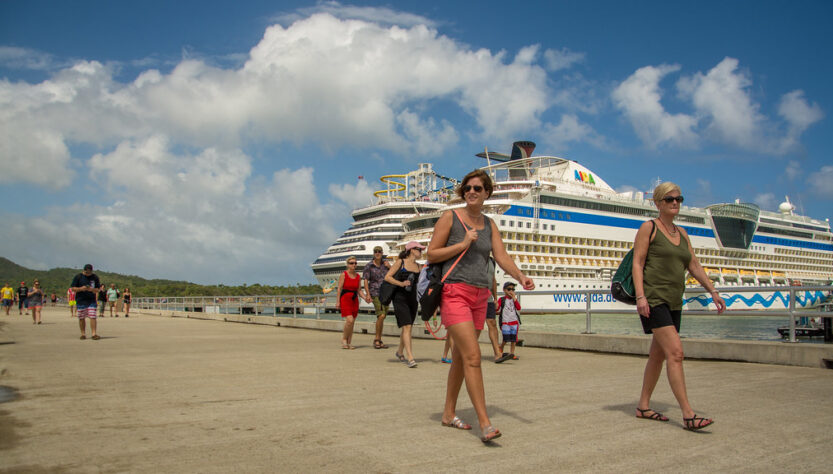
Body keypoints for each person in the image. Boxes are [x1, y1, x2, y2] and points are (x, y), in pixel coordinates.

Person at [427, 169, 534, 443]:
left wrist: (520, 276)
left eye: (477, 188)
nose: (471, 192)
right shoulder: (450, 217)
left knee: (462, 357)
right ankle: (485, 423)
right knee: (473, 357)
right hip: (455, 293)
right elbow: (432, 254)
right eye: (467, 188)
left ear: (487, 192)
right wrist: (463, 243)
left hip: (479, 296)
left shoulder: (489, 224)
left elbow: (501, 256)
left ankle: (448, 413)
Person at [632, 182, 726, 431]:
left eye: (679, 199)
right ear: (658, 203)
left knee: (658, 355)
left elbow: (693, 265)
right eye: (669, 199)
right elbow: (637, 263)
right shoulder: (649, 228)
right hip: (655, 299)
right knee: (676, 353)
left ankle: (643, 406)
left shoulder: (682, 233)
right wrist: (641, 297)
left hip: (675, 301)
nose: (675, 203)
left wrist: (713, 291)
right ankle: (688, 414)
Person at [385, 241, 424, 368]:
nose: (421, 252)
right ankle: (410, 357)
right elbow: (388, 277)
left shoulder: (419, 266)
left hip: (413, 299)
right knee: (406, 326)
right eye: (419, 249)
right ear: (412, 250)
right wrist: (401, 284)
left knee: (408, 327)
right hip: (400, 298)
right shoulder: (400, 262)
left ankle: (399, 352)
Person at [362, 246, 391, 349]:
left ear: (382, 253)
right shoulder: (369, 266)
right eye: (375, 252)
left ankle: (379, 339)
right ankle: (377, 339)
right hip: (375, 292)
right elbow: (366, 280)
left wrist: (390, 266)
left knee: (382, 316)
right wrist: (368, 294)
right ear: (373, 253)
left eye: (379, 251)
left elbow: (394, 274)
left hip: (386, 293)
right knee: (381, 315)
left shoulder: (385, 264)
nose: (377, 253)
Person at [335, 256, 367, 349]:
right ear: (348, 265)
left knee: (352, 323)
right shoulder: (344, 274)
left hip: (354, 300)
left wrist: (365, 298)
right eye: (351, 263)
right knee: (350, 320)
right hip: (345, 299)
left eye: (355, 263)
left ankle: (349, 342)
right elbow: (339, 289)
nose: (354, 265)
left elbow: (359, 290)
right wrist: (337, 302)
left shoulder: (358, 276)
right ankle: (344, 340)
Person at [485, 259, 510, 363]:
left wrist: (495, 298)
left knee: (492, 323)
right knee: (471, 326)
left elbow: (493, 280)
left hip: (488, 298)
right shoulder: (473, 258)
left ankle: (497, 354)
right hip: (473, 297)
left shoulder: (491, 261)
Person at [71, 264, 101, 340]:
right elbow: (73, 288)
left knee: (92, 316)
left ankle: (94, 333)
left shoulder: (95, 277)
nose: (88, 274)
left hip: (91, 300)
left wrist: (92, 289)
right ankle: (83, 334)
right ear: (84, 271)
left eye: (89, 272)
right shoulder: (78, 277)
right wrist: (81, 289)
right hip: (81, 300)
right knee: (81, 317)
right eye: (86, 272)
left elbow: (98, 289)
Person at [497, 282, 522, 361]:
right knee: (506, 338)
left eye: (513, 289)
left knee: (513, 339)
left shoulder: (514, 300)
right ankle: (501, 347)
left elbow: (518, 308)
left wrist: (514, 299)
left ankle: (512, 353)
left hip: (514, 321)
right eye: (509, 289)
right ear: (504, 290)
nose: (511, 291)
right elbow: (497, 308)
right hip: (505, 322)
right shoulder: (502, 299)